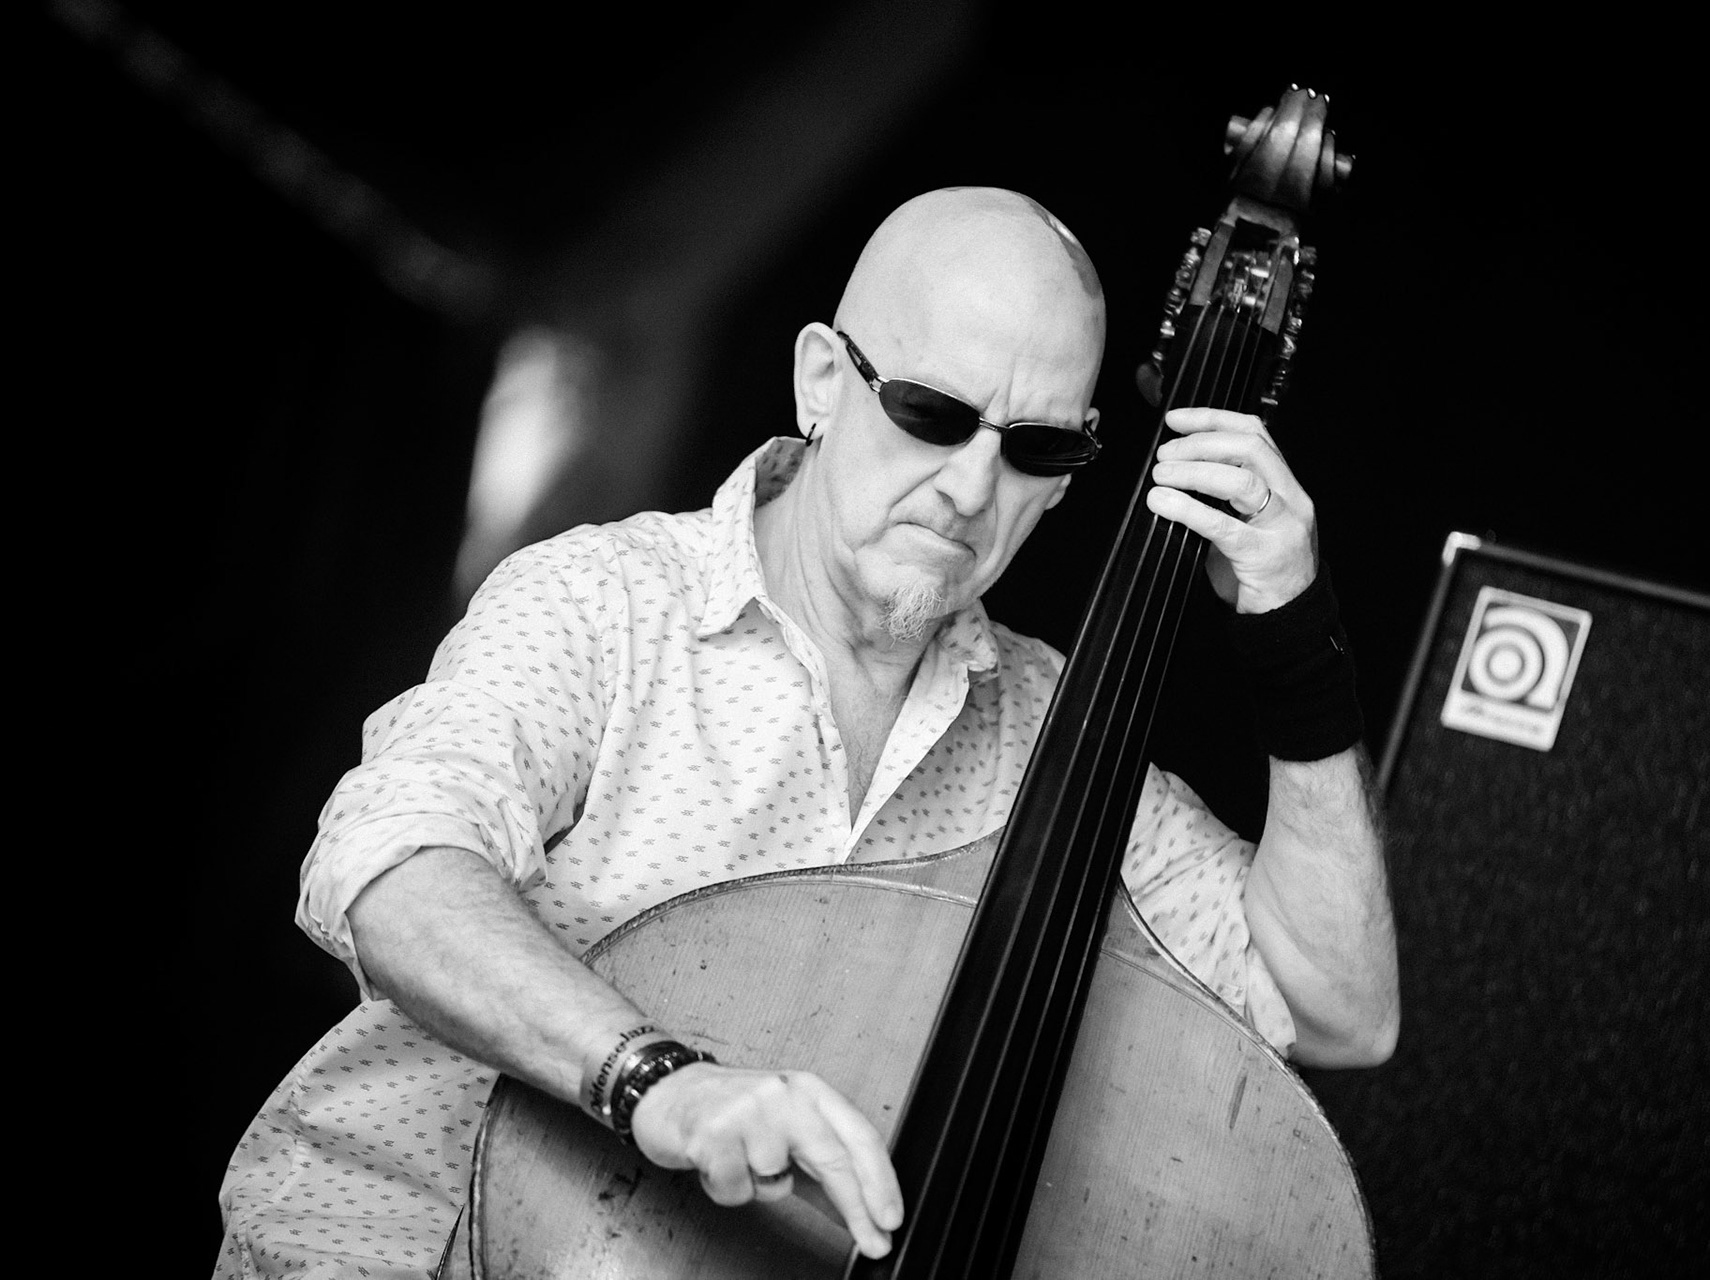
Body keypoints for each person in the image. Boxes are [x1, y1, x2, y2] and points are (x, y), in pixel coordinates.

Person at [215, 187, 1398, 1278]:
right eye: (932, 414)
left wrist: (1296, 639)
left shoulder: (1055, 744)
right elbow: (390, 861)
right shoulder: (610, 601)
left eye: (1038, 448)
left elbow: (1334, 1006)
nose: (971, 490)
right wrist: (659, 1082)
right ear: (823, 379)